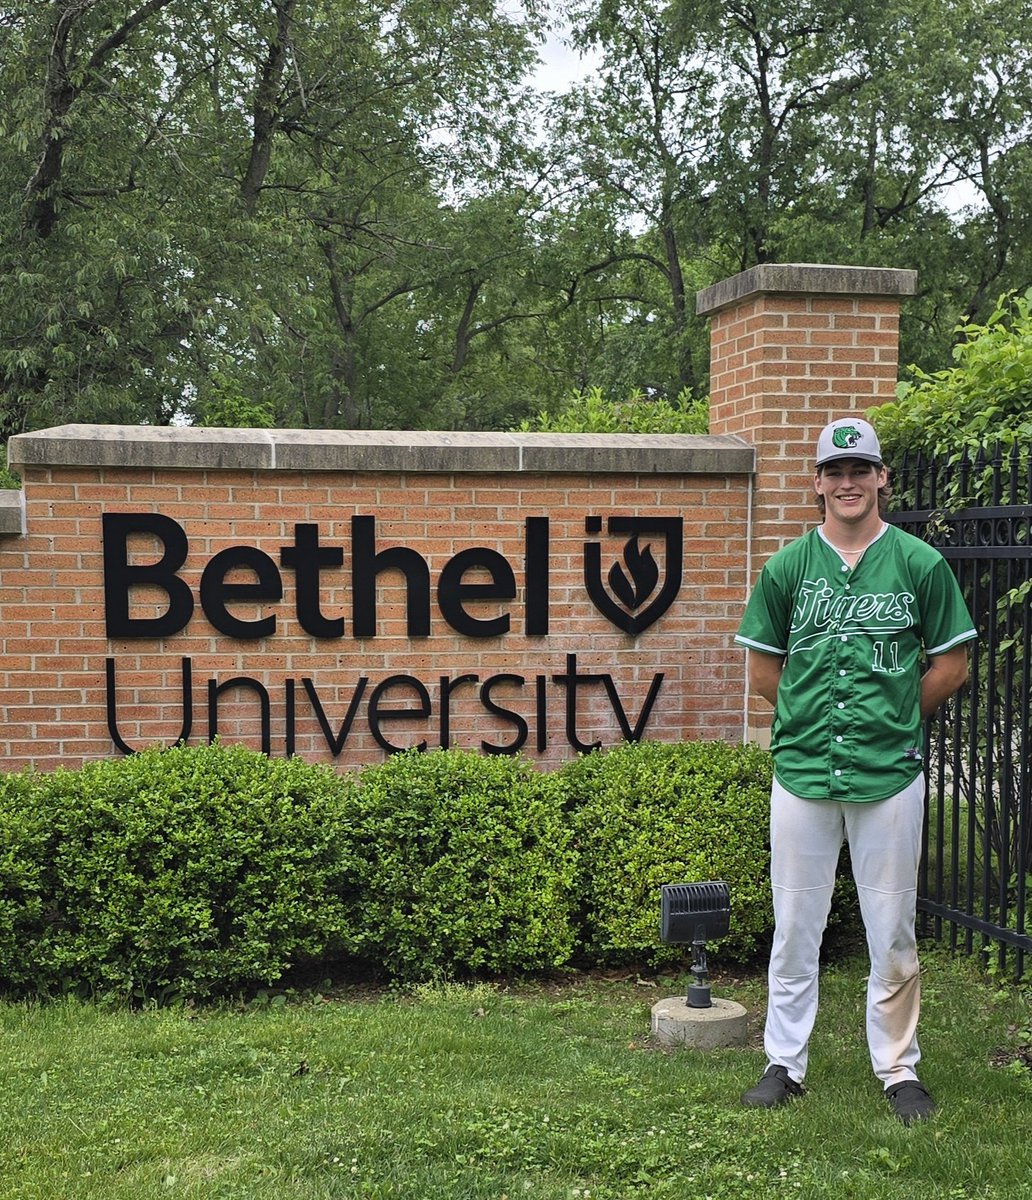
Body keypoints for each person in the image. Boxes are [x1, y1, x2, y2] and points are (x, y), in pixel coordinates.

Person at [734, 417, 976, 1125]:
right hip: (803, 773)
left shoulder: (919, 564)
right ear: (817, 483)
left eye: (860, 470)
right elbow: (763, 669)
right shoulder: (785, 568)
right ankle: (785, 1061)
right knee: (794, 924)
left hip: (889, 775)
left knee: (893, 928)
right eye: (834, 472)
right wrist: (809, 724)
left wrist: (895, 720)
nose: (848, 483)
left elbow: (951, 665)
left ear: (881, 480)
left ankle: (898, 1069)